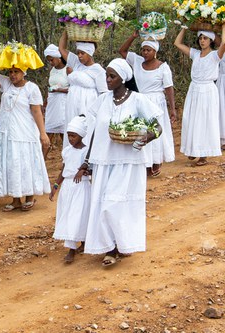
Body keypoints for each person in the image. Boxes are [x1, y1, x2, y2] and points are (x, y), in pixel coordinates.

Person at [82, 59, 163, 267]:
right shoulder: (102, 100)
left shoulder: (138, 100)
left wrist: (146, 137)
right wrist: (87, 161)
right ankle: (110, 246)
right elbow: (95, 133)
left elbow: (157, 127)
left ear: (123, 79)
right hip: (104, 161)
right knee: (103, 205)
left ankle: (119, 245)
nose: (107, 80)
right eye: (106, 75)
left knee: (117, 204)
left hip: (128, 162)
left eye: (112, 76)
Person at [0, 57, 50, 212]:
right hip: (7, 131)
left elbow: (36, 111)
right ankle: (16, 199)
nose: (12, 75)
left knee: (25, 163)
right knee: (12, 163)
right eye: (10, 72)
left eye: (16, 72)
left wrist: (43, 134)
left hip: (25, 132)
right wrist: (0, 55)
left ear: (24, 72)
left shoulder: (31, 88)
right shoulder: (6, 84)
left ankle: (29, 197)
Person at [119, 32, 177, 177]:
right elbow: (122, 51)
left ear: (155, 51)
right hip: (140, 100)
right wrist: (133, 36)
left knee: (155, 132)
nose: (145, 52)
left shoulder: (163, 67)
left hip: (156, 102)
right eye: (143, 49)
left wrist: (173, 109)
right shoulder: (137, 61)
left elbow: (169, 88)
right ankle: (145, 163)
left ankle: (156, 162)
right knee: (141, 131)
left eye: (148, 50)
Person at [174, 27, 225, 166]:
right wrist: (184, 28)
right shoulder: (195, 54)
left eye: (205, 38)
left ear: (211, 40)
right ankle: (193, 149)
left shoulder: (215, 55)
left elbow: (224, 43)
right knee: (191, 119)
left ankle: (203, 155)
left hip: (207, 91)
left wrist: (223, 26)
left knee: (205, 121)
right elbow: (177, 43)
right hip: (194, 89)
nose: (202, 41)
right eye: (200, 38)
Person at [48, 116, 90, 264]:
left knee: (78, 216)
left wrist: (83, 171)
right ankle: (74, 246)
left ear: (81, 136)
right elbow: (64, 170)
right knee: (68, 215)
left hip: (81, 187)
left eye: (74, 136)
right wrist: (55, 186)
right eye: (69, 136)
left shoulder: (86, 152)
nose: (71, 139)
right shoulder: (67, 151)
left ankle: (75, 247)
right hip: (67, 187)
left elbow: (91, 169)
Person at [58, 31, 108, 142]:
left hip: (87, 106)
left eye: (82, 53)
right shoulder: (76, 62)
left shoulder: (98, 70)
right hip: (72, 104)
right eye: (78, 53)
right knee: (71, 127)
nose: (79, 56)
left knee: (85, 131)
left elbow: (104, 93)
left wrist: (100, 112)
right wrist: (66, 32)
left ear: (90, 53)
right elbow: (61, 49)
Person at [42, 44, 72, 158]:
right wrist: (45, 104)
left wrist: (59, 90)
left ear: (58, 57)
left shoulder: (68, 69)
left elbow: (74, 89)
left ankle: (68, 159)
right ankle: (41, 161)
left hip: (63, 104)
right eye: (49, 60)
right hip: (52, 103)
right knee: (48, 132)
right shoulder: (52, 70)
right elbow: (50, 88)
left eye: (52, 60)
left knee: (63, 133)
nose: (50, 62)